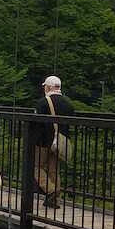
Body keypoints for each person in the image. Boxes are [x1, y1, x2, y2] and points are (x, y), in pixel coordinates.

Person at [29, 75, 75, 210]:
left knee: (36, 167)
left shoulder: (43, 102)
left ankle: (51, 190)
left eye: (45, 86)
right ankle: (54, 200)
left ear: (48, 87)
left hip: (43, 141)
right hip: (60, 142)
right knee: (54, 170)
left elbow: (35, 123)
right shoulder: (68, 104)